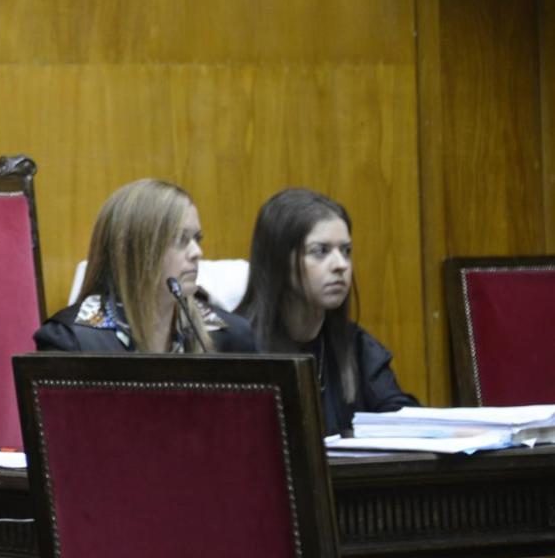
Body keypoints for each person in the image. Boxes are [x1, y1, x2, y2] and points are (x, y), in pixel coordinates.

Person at [236, 188, 418, 435]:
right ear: (278, 260)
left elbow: (401, 417)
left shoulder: (356, 345)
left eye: (346, 251)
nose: (341, 265)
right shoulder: (237, 348)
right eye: (320, 251)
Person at [35, 179, 256, 353]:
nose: (197, 253)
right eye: (181, 239)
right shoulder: (70, 342)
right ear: (136, 252)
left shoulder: (231, 337)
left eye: (197, 238)